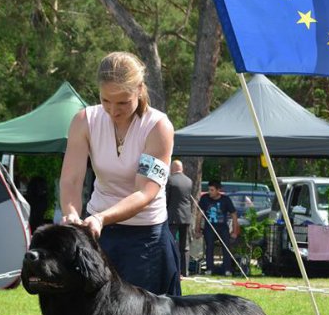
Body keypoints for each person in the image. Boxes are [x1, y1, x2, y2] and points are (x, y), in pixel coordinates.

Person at [59, 51, 180, 296]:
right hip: (97, 234)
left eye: (123, 102)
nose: (113, 110)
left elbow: (145, 192)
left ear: (139, 89)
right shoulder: (84, 121)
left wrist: (102, 218)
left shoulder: (158, 127)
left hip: (146, 239)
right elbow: (71, 179)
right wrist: (71, 214)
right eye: (106, 101)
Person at [194, 180, 239, 276]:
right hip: (209, 227)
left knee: (226, 247)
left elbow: (234, 215)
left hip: (223, 228)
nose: (209, 192)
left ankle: (227, 269)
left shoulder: (225, 199)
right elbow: (199, 215)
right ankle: (209, 269)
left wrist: (235, 231)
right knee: (209, 247)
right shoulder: (204, 198)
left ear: (218, 190)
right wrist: (197, 230)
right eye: (209, 190)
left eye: (212, 190)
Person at [166, 160, 193, 277]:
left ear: (172, 168)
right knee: (185, 245)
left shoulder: (170, 180)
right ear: (182, 168)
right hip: (186, 217)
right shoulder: (189, 181)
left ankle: (174, 269)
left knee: (172, 244)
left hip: (173, 216)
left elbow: (166, 199)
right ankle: (185, 270)